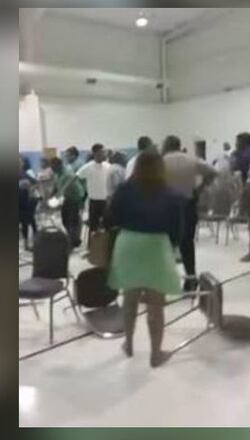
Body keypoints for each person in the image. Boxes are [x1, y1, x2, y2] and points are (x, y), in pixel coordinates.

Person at [107, 151, 184, 367]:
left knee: (129, 300)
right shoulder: (171, 193)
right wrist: (172, 245)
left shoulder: (124, 190)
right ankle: (155, 354)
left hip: (128, 244)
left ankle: (129, 344)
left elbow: (111, 216)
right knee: (155, 306)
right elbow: (178, 229)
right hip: (156, 246)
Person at [162, 135, 217, 291]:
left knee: (166, 243)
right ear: (179, 145)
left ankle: (167, 281)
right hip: (188, 203)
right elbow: (213, 172)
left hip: (167, 205)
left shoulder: (160, 162)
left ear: (166, 146)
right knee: (187, 243)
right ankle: (191, 279)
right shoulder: (192, 160)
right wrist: (200, 188)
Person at [76, 144, 111, 235]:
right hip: (94, 201)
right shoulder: (88, 167)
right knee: (93, 227)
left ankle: (107, 247)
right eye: (103, 152)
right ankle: (93, 247)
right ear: (96, 153)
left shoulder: (108, 166)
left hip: (105, 201)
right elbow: (76, 177)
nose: (105, 154)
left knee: (108, 225)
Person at [50, 157, 85, 248]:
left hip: (74, 199)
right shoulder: (58, 173)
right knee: (65, 220)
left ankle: (73, 242)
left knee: (72, 221)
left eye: (53, 167)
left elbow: (62, 190)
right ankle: (72, 239)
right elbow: (56, 186)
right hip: (66, 199)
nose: (52, 169)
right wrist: (51, 194)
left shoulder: (67, 174)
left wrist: (53, 201)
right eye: (51, 167)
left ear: (59, 165)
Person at [18, 155, 38, 250]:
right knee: (22, 223)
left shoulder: (24, 173)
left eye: (21, 162)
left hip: (26, 201)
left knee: (27, 222)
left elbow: (36, 182)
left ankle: (28, 243)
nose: (20, 164)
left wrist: (30, 187)